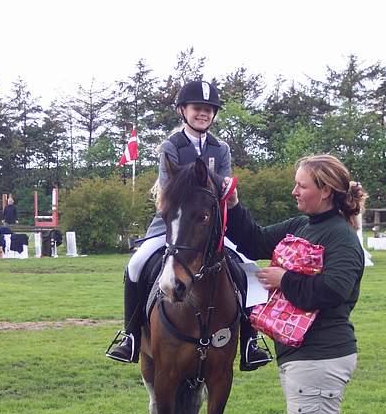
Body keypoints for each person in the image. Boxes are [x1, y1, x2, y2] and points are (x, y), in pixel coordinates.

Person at [224, 154, 367, 414]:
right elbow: (254, 240)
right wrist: (234, 207)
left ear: (325, 190)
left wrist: (284, 279)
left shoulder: (340, 237)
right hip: (309, 357)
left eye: (301, 185)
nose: (294, 191)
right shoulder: (305, 225)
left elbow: (335, 289)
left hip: (320, 357)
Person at [106, 80, 272, 370]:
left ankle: (250, 340)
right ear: (183, 110)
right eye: (198, 109)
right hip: (171, 225)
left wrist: (215, 190)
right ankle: (131, 336)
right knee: (136, 264)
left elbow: (226, 186)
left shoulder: (220, 149)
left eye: (209, 110)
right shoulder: (171, 146)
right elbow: (168, 189)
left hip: (213, 225)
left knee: (248, 267)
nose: (203, 114)